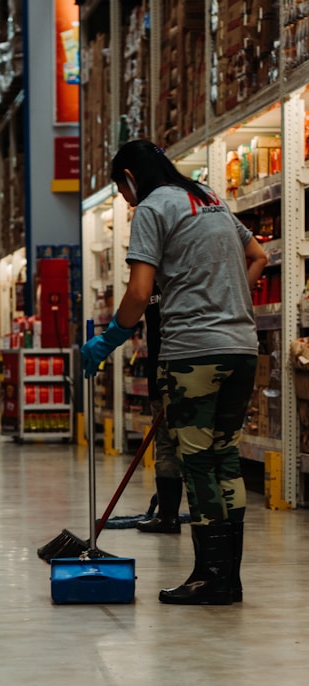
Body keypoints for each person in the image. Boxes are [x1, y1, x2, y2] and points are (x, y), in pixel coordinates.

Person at [81, 139, 268, 605]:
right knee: (226, 458)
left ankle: (210, 577)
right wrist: (233, 304)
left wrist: (110, 339)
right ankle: (230, 578)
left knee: (198, 463)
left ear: (129, 176)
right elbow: (259, 255)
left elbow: (141, 291)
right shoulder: (210, 199)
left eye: (122, 190)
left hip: (193, 354)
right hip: (242, 349)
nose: (126, 200)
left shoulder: (152, 207)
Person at [135, 285, 183, 534]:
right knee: (201, 448)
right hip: (195, 369)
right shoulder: (189, 273)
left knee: (165, 447)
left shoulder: (148, 281)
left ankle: (168, 516)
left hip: (161, 372)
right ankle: (206, 516)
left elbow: (131, 311)